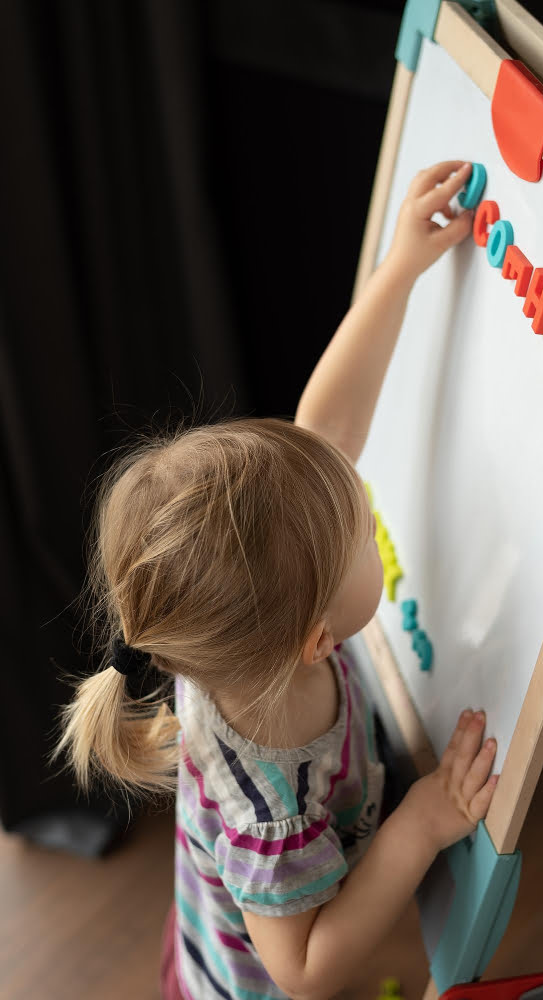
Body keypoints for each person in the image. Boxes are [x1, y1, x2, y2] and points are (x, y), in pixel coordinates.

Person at [51, 160, 499, 1000]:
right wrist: (420, 826)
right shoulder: (271, 811)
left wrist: (396, 272)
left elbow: (325, 428)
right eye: (363, 532)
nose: (371, 514)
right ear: (316, 639)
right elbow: (302, 970)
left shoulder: (227, 630)